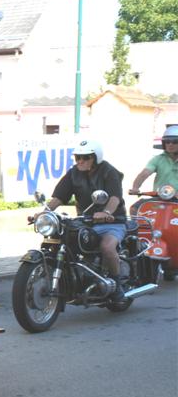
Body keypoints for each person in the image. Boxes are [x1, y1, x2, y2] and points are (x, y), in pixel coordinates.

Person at [37, 138, 127, 300]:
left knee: (107, 247)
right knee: (66, 241)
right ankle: (79, 278)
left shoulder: (109, 171)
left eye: (85, 158)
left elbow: (115, 197)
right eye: (77, 157)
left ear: (95, 158)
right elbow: (59, 197)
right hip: (86, 221)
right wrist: (45, 212)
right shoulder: (74, 173)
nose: (80, 161)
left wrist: (106, 212)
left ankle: (117, 284)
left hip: (112, 222)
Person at [129, 124, 178, 194]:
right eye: (167, 142)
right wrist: (135, 188)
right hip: (159, 198)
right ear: (164, 144)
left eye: (175, 142)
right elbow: (145, 173)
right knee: (138, 205)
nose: (170, 144)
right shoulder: (157, 159)